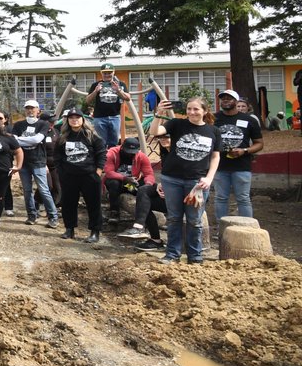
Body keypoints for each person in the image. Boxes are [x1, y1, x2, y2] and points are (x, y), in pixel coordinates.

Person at [153, 97, 221, 264]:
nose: (192, 112)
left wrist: (209, 178)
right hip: (172, 179)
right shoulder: (176, 124)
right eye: (189, 109)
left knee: (194, 220)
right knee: (174, 218)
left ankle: (195, 256)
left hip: (197, 183)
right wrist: (158, 113)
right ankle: (172, 254)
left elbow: (215, 156)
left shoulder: (213, 131)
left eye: (196, 109)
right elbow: (154, 132)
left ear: (205, 111)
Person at [55, 109, 107, 242]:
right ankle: (69, 229)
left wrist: (98, 171)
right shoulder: (63, 137)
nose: (74, 119)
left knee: (93, 204)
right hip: (69, 176)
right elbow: (58, 156)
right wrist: (61, 172)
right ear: (67, 120)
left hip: (89, 176)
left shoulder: (92, 136)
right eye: (71, 117)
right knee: (68, 203)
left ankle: (95, 232)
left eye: (77, 117)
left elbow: (101, 154)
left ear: (83, 119)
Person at [212, 89, 263, 220]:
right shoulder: (214, 119)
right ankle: (222, 229)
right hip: (219, 166)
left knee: (243, 199)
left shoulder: (249, 120)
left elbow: (259, 143)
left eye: (229, 99)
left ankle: (248, 229)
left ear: (236, 101)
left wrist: (244, 150)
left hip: (242, 166)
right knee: (221, 198)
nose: (225, 101)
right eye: (223, 99)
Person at [11, 100, 59, 228]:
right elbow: (13, 141)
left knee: (44, 189)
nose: (30, 111)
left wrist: (20, 140)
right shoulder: (18, 125)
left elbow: (38, 139)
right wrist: (30, 141)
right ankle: (32, 215)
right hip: (23, 162)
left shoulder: (43, 124)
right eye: (27, 108)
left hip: (38, 161)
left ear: (38, 110)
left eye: (33, 108)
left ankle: (53, 216)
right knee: (27, 191)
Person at [103, 137, 153, 228]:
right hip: (117, 182)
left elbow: (149, 174)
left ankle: (144, 217)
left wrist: (148, 184)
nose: (130, 154)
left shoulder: (141, 156)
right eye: (128, 151)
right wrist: (124, 178)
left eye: (133, 152)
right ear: (122, 147)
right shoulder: (111, 153)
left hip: (132, 183)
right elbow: (109, 172)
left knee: (145, 188)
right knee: (113, 183)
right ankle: (114, 212)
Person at [85, 62, 130, 149]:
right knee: (101, 142)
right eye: (105, 73)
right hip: (99, 117)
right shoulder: (96, 85)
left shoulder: (120, 84)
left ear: (113, 72)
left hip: (115, 117)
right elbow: (87, 100)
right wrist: (96, 91)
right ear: (101, 73)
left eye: (109, 72)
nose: (107, 75)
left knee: (114, 142)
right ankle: (103, 160)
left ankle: (112, 159)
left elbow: (128, 98)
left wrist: (118, 90)